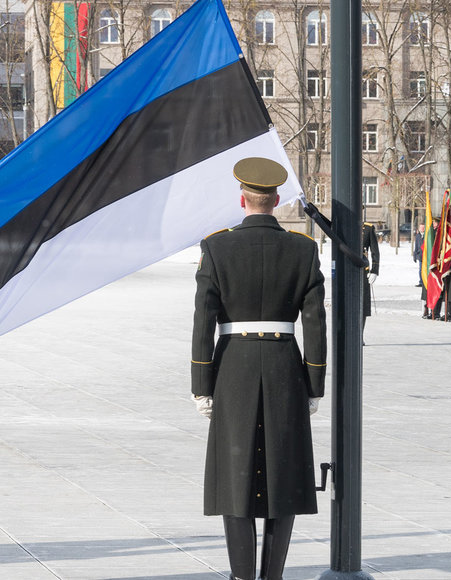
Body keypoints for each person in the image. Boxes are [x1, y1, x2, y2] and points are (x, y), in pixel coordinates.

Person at [191, 157, 326, 580]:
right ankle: (273, 576)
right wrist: (315, 384)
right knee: (283, 478)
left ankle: (242, 576)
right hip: (286, 366)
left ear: (242, 199)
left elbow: (203, 322)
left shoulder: (217, 247)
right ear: (277, 199)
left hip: (234, 368)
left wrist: (201, 384)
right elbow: (316, 323)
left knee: (236, 479)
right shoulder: (303, 249)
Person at [362, 221, 380, 334]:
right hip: (347, 270)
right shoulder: (345, 225)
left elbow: (375, 251)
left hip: (363, 271)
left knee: (363, 304)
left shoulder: (368, 229)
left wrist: (375, 270)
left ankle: (360, 333)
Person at [413, 222, 426, 287]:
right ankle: (421, 282)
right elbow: (416, 246)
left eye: (423, 227)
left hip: (426, 255)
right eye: (421, 227)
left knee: (426, 269)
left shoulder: (427, 235)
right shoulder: (417, 236)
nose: (422, 229)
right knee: (420, 269)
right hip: (420, 255)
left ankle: (425, 282)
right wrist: (414, 256)